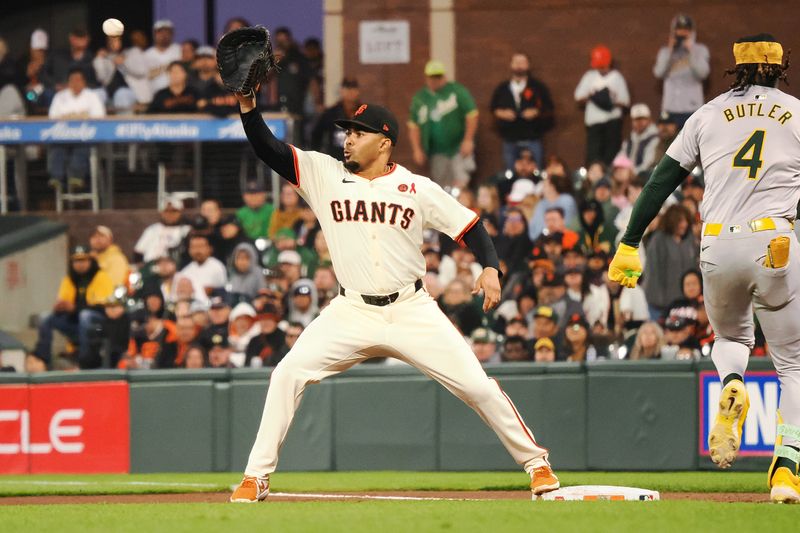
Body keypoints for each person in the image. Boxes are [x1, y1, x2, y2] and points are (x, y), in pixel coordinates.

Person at [228, 85, 559, 502]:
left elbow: (469, 225)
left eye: (359, 132)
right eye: (347, 131)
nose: (348, 138)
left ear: (384, 143)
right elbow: (268, 149)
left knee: (477, 386)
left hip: (411, 308)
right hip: (350, 311)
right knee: (287, 373)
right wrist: (247, 106)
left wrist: (491, 266)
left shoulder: (416, 187)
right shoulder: (324, 173)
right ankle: (256, 476)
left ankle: (537, 465)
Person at [608, 34, 800, 502]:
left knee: (731, 338)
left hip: (715, 243)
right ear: (777, 68)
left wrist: (629, 242)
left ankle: (732, 382)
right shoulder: (795, 111)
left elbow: (660, 182)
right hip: (774, 239)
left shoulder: (707, 113)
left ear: (735, 68)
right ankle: (787, 470)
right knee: (792, 361)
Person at [33, 246, 113, 367]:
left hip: (99, 325)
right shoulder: (70, 278)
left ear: (90, 261)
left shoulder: (101, 276)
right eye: (77, 261)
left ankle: (84, 359)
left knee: (85, 315)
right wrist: (59, 308)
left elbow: (102, 308)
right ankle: (43, 359)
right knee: (45, 317)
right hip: (75, 323)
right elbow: (65, 302)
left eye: (83, 260)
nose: (80, 264)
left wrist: (74, 308)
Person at [408, 60, 479, 190]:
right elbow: (413, 126)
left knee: (461, 183)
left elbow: (472, 114)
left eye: (438, 76)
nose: (435, 80)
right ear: (426, 78)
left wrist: (468, 140)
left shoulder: (456, 90)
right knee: (441, 187)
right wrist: (417, 149)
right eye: (432, 77)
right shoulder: (420, 98)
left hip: (458, 147)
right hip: (437, 151)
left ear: (444, 76)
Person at [490, 53, 555, 169]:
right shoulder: (502, 88)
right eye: (516, 62)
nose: (519, 65)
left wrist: (536, 112)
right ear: (511, 65)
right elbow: (493, 108)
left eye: (522, 62)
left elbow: (549, 107)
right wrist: (502, 113)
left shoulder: (537, 87)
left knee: (536, 172)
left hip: (532, 138)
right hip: (510, 139)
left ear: (528, 65)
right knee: (510, 174)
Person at [47, 67, 105, 191]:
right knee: (57, 147)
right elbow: (52, 117)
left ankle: (76, 177)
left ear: (84, 82)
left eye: (78, 80)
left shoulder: (92, 96)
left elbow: (99, 116)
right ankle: (56, 178)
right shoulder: (60, 96)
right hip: (63, 135)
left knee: (82, 147)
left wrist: (78, 116)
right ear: (68, 82)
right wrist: (73, 116)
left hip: (86, 135)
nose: (75, 83)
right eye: (72, 80)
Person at [574, 45, 630, 166]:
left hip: (612, 122)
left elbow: (625, 101)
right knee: (593, 157)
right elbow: (578, 97)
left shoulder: (616, 77)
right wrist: (594, 96)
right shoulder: (590, 76)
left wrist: (609, 100)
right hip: (594, 123)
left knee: (611, 156)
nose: (600, 68)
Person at [652, 14, 710, 128]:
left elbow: (702, 74)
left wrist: (691, 51)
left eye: (686, 29)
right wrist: (670, 51)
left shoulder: (700, 50)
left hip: (692, 108)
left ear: (692, 32)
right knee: (670, 144)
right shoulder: (665, 52)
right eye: (679, 29)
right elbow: (658, 73)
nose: (682, 33)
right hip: (670, 108)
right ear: (674, 31)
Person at [311, 78, 361, 160]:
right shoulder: (331, 113)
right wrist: (318, 157)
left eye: (353, 89)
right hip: (336, 160)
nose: (350, 93)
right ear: (342, 91)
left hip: (359, 160)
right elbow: (316, 135)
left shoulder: (364, 113)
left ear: (358, 92)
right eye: (347, 89)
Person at [620, 104, 659, 176]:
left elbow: (648, 164)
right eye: (636, 119)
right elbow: (621, 158)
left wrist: (632, 172)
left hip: (645, 175)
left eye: (642, 119)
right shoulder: (629, 139)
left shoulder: (655, 138)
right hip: (628, 173)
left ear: (649, 119)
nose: (639, 123)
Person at [145, 20, 181, 95]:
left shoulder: (179, 50)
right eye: (160, 32)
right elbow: (144, 76)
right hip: (153, 94)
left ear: (172, 34)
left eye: (167, 32)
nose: (164, 35)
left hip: (176, 94)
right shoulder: (147, 54)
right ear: (154, 34)